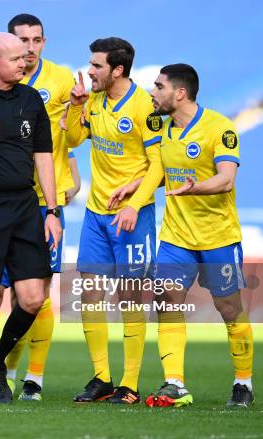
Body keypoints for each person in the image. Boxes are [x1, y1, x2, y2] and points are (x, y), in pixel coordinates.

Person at [0, 13, 78, 402]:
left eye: (36, 41)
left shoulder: (59, 81)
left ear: (44, 42)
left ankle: (30, 378)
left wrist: (56, 205)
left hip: (38, 205)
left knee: (35, 295)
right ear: (0, 53)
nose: (28, 50)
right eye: (21, 42)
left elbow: (66, 143)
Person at [143, 63, 253, 408]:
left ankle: (243, 383)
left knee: (229, 309)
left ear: (180, 93)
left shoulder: (219, 127)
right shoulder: (160, 128)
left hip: (218, 236)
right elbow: (159, 173)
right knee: (166, 302)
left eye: (159, 87)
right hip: (175, 237)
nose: (153, 92)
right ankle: (174, 382)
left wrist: (195, 189)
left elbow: (226, 179)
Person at [65, 37, 163, 404]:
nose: (90, 71)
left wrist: (135, 204)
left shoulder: (144, 108)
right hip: (95, 213)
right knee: (90, 294)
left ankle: (130, 383)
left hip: (133, 216)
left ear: (117, 70)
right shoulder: (92, 99)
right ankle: (101, 377)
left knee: (130, 297)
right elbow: (74, 137)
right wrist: (76, 107)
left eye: (96, 65)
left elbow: (159, 165)